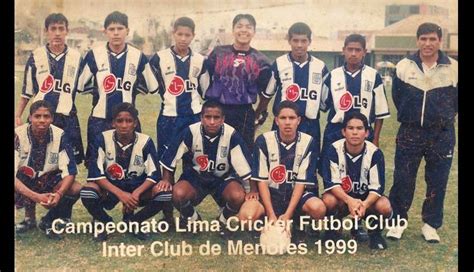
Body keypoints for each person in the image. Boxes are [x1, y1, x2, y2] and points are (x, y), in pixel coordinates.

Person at [386, 23, 458, 243]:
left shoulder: (454, 68)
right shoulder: (404, 67)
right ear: (417, 40)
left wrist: (441, 118)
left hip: (442, 133)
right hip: (410, 131)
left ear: (440, 41)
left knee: (437, 181)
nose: (428, 43)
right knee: (403, 178)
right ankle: (397, 222)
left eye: (432, 39)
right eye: (423, 39)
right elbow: (398, 98)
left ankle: (430, 224)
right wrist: (413, 118)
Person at [159, 100, 256, 238]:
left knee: (238, 195)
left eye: (216, 118)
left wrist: (252, 190)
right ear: (201, 118)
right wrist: (166, 179)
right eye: (207, 117)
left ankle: (222, 221)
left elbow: (245, 167)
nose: (212, 122)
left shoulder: (231, 134)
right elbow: (170, 158)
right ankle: (193, 220)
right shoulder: (190, 132)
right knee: (177, 192)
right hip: (196, 178)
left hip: (222, 179)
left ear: (222, 119)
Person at [149, 16, 210, 225]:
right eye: (180, 34)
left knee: (190, 164)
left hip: (193, 118)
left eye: (188, 35)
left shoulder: (200, 61)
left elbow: (204, 89)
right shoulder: (159, 58)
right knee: (167, 165)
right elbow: (155, 86)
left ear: (193, 36)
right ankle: (166, 215)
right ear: (173, 33)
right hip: (168, 118)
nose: (183, 39)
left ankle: (185, 212)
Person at [78, 10, 158, 167]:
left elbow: (152, 86)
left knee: (132, 164)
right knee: (97, 165)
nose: (116, 33)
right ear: (105, 31)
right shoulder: (94, 55)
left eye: (120, 29)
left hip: (127, 120)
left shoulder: (138, 56)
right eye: (111, 29)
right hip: (99, 119)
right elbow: (81, 85)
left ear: (127, 31)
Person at [80, 103, 169, 241]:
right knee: (88, 191)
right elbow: (96, 174)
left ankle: (134, 222)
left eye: (129, 121)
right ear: (113, 123)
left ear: (135, 123)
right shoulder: (101, 139)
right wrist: (121, 194)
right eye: (119, 121)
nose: (124, 125)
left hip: (136, 190)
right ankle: (104, 222)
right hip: (110, 189)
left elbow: (154, 174)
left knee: (164, 193)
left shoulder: (145, 141)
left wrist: (136, 193)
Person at [240, 101, 326, 243]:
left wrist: (288, 214)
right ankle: (264, 224)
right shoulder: (263, 141)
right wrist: (271, 214)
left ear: (298, 121)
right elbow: (261, 181)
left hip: (295, 195)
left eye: (292, 118)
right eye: (283, 118)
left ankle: (297, 224)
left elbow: (300, 184)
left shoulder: (308, 142)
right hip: (271, 194)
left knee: (318, 208)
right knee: (246, 217)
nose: (287, 122)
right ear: (276, 120)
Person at [15, 13, 85, 165]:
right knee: (35, 161)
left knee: (67, 164)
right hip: (40, 118)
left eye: (61, 28)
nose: (57, 33)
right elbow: (26, 91)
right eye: (53, 29)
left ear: (67, 31)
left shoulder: (77, 57)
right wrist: (18, 115)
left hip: (67, 118)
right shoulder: (36, 56)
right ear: (46, 31)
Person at [321, 112, 392, 250]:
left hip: (365, 200)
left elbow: (377, 188)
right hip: (342, 198)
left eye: (359, 128)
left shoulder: (375, 153)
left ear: (366, 133)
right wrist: (349, 200)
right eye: (351, 128)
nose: (355, 132)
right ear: (343, 131)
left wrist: (364, 204)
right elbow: (332, 184)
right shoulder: (333, 149)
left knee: (384, 205)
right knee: (328, 200)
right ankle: (333, 230)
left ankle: (375, 233)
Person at [255, 22, 329, 152]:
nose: (299, 45)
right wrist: (258, 113)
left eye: (303, 41)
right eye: (295, 40)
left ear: (309, 41)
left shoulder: (320, 67)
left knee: (309, 164)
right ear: (289, 41)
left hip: (310, 125)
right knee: (279, 160)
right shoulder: (280, 63)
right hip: (284, 123)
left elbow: (324, 104)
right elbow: (267, 94)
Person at [15, 100, 81, 240]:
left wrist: (58, 194)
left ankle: (50, 219)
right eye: (37, 116)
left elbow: (70, 171)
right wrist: (36, 197)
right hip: (25, 179)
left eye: (46, 116)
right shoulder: (18, 135)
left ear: (52, 118)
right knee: (24, 175)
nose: (42, 120)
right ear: (30, 117)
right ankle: (29, 219)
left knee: (75, 188)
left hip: (49, 178)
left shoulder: (60, 135)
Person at [204, 13, 272, 148]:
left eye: (248, 27)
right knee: (213, 149)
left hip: (244, 113)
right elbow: (206, 77)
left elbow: (265, 92)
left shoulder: (261, 60)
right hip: (218, 109)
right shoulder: (218, 53)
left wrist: (257, 113)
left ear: (254, 31)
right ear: (233, 29)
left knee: (243, 152)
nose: (244, 30)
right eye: (239, 26)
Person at [321, 34, 390, 153]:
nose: (353, 53)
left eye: (358, 50)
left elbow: (380, 113)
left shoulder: (373, 76)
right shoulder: (333, 75)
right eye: (350, 49)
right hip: (336, 131)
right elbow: (323, 105)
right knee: (331, 168)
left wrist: (376, 138)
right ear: (343, 51)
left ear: (364, 52)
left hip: (363, 131)